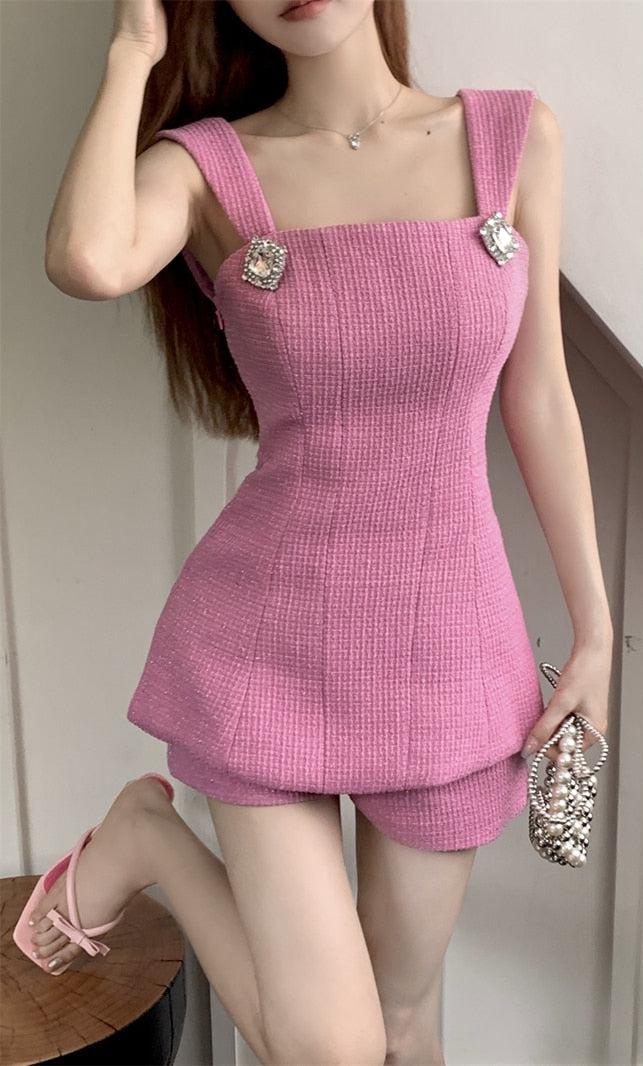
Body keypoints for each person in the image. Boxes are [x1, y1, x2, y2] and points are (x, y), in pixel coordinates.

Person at [18, 1, 613, 1063]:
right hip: (268, 651)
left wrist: (596, 632)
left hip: (446, 652)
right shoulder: (205, 168)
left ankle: (150, 834)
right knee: (333, 1051)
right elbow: (88, 259)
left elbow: (540, 397)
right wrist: (134, 50)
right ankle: (152, 836)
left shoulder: (513, 138)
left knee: (404, 1023)